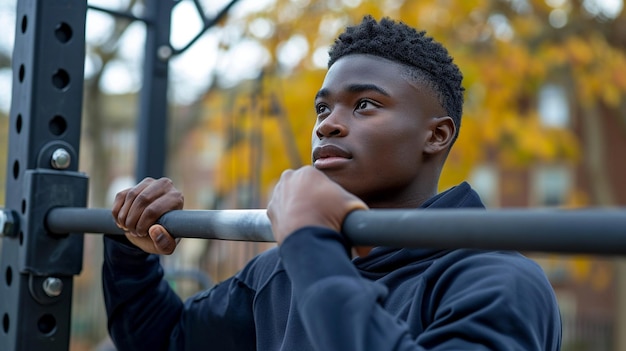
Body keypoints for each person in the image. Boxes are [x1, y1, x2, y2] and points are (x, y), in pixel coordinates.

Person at [103, 15, 562, 350]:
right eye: (323, 109)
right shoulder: (282, 269)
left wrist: (309, 244)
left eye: (364, 105)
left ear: (436, 135)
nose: (327, 125)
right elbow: (164, 341)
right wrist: (129, 250)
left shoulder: (498, 279)